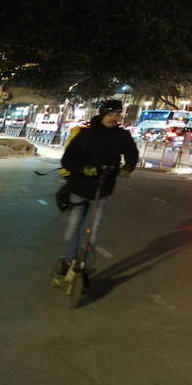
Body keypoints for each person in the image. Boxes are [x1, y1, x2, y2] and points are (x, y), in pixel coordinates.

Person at [53, 98, 138, 279]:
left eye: (117, 114)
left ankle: (85, 264)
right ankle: (68, 259)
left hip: (103, 188)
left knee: (93, 229)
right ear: (102, 114)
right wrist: (82, 168)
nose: (114, 118)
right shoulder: (86, 134)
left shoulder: (122, 135)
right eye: (110, 114)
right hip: (79, 187)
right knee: (74, 226)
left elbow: (132, 153)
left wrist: (128, 167)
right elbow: (67, 160)